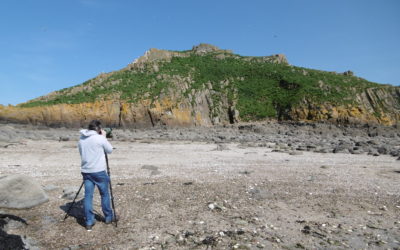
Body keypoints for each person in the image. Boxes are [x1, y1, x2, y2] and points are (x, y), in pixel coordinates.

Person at [78, 120, 114, 231]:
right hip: (98, 171)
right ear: (98, 129)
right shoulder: (99, 138)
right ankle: (108, 217)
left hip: (86, 171)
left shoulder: (81, 139)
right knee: (104, 194)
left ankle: (89, 221)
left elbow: (82, 153)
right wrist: (104, 137)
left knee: (88, 196)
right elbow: (110, 150)